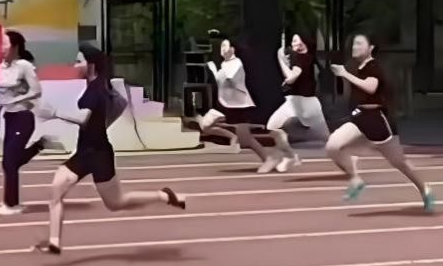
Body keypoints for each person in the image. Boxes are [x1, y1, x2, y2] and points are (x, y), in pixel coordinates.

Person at [31, 44, 186, 254]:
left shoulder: (95, 91)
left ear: (91, 64)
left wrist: (55, 113)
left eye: (79, 61)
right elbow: (120, 104)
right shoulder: (99, 87)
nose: (74, 65)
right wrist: (103, 125)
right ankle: (54, 242)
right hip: (84, 152)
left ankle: (163, 196)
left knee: (116, 203)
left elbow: (83, 119)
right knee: (56, 189)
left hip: (100, 155)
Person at [326, 33, 435, 211]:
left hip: (378, 121)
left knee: (400, 163)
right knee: (333, 146)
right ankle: (356, 179)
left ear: (371, 48)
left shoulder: (374, 67)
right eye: (353, 44)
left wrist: (344, 74)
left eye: (359, 44)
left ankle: (425, 189)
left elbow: (371, 87)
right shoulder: (357, 68)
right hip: (359, 117)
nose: (354, 47)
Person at [0, 30, 61, 216]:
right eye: (1, 44)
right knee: (9, 162)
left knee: (9, 163)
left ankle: (11, 205)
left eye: (5, 44)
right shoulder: (2, 67)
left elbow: (37, 91)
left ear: (15, 47)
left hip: (23, 117)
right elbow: (4, 93)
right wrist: (1, 104)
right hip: (9, 118)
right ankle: (40, 145)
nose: (1, 48)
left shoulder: (24, 66)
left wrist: (16, 100)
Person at [197, 38, 277, 173]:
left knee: (245, 140)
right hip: (224, 105)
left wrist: (214, 70)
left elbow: (230, 78)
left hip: (239, 106)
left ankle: (268, 159)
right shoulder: (224, 64)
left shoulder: (236, 62)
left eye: (225, 46)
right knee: (205, 125)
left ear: (233, 49)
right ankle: (232, 135)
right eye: (221, 46)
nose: (222, 49)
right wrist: (215, 70)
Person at [266, 34, 330, 172]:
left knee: (327, 138)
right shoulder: (301, 57)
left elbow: (291, 77)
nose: (293, 43)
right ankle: (290, 156)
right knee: (272, 127)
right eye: (292, 40)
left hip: (307, 104)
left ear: (302, 43)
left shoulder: (301, 57)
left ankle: (347, 153)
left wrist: (280, 59)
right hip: (293, 102)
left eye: (295, 40)